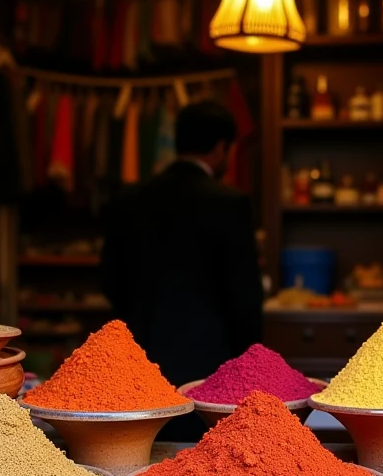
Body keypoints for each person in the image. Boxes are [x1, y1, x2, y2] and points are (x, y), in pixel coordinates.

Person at [101, 100, 264, 400]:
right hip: (210, 363)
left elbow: (110, 280)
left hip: (139, 359)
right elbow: (244, 297)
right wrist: (249, 362)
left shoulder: (129, 198)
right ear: (221, 148)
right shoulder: (231, 204)